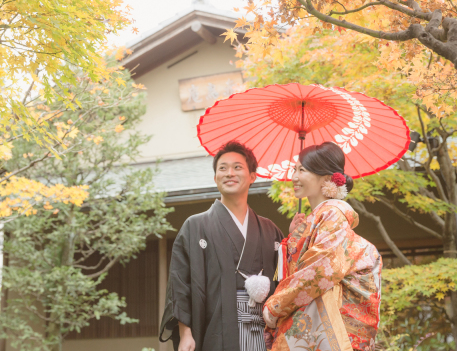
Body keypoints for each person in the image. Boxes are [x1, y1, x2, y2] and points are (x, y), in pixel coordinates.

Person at [159, 141, 285, 351]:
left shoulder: (269, 229)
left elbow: (287, 281)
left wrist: (296, 240)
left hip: (265, 334)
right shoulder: (195, 226)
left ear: (253, 176)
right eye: (222, 168)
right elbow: (180, 284)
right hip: (216, 331)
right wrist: (185, 333)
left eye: (237, 167)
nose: (229, 173)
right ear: (215, 177)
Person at [263, 142, 382, 351]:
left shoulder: (332, 214)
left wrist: (276, 306)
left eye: (302, 170)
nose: (294, 177)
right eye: (294, 169)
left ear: (327, 179)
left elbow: (320, 271)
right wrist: (295, 237)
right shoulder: (318, 217)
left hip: (332, 321)